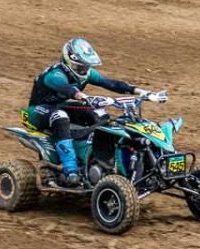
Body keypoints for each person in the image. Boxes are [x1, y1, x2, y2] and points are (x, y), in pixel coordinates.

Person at [26, 38, 139, 186]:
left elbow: (109, 83)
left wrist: (139, 91)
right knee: (60, 117)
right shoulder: (54, 75)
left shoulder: (87, 73)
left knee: (100, 113)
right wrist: (81, 95)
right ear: (68, 62)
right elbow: (66, 88)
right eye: (80, 67)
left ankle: (99, 158)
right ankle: (70, 169)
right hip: (38, 110)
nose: (83, 70)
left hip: (62, 105)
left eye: (86, 66)